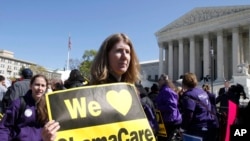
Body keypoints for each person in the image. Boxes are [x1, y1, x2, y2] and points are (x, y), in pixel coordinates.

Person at [42, 33, 141, 141]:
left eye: (128, 52)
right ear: (106, 56)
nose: (125, 56)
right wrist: (50, 137)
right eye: (119, 51)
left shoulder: (133, 92)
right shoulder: (89, 92)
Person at [0, 74, 48, 141]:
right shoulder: (18, 103)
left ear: (46, 88)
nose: (40, 88)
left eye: (43, 85)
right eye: (37, 85)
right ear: (31, 86)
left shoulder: (47, 106)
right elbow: (5, 127)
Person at [180, 72, 215, 141]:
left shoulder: (188, 95)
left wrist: (182, 128)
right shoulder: (202, 92)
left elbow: (189, 114)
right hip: (208, 126)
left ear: (184, 83)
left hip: (196, 128)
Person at [155, 74, 182, 141]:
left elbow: (172, 106)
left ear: (164, 80)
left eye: (159, 80)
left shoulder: (167, 91)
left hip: (170, 120)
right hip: (167, 119)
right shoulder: (164, 90)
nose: (158, 81)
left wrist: (158, 108)